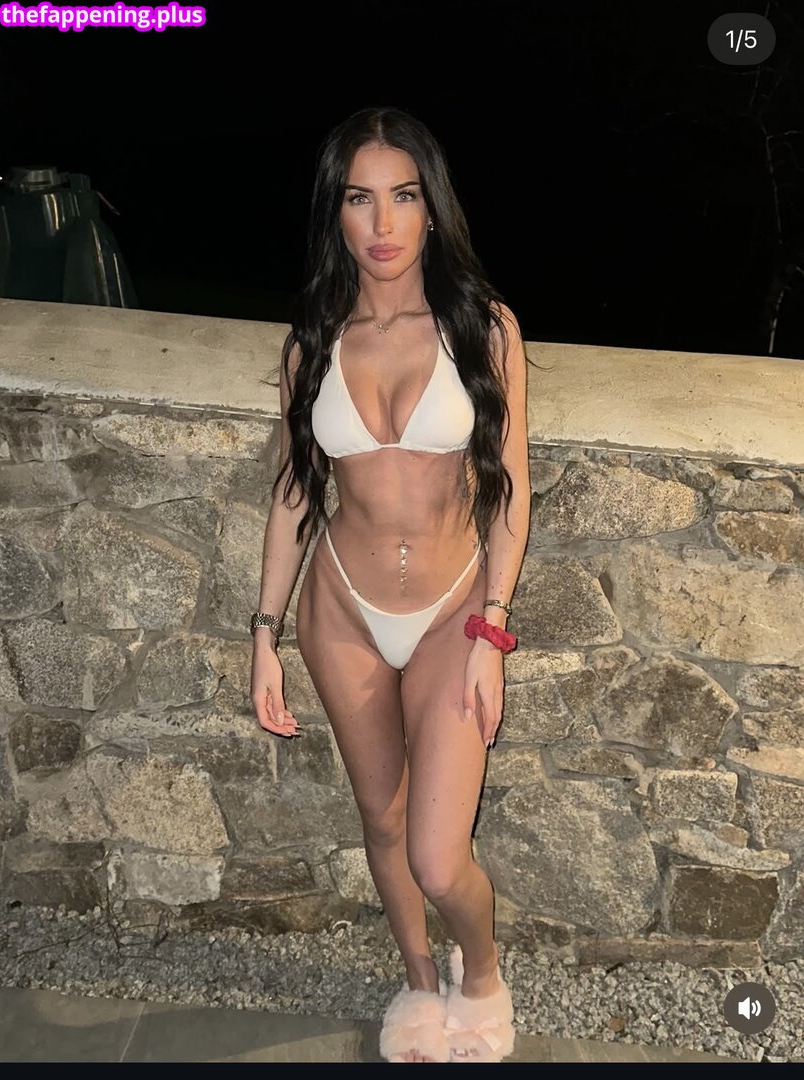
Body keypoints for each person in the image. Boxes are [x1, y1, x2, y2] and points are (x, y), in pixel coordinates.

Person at [250, 105, 535, 1063]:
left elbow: (510, 489)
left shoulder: (480, 326)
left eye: (403, 196)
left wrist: (493, 631)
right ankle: (417, 982)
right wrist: (263, 634)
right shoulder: (313, 340)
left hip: (455, 612)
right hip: (342, 610)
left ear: (431, 205)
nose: (382, 223)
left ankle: (480, 974)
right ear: (334, 211)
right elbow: (295, 491)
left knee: (436, 857)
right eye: (359, 198)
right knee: (379, 817)